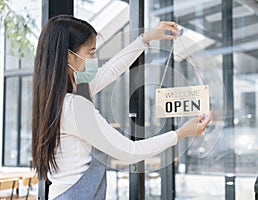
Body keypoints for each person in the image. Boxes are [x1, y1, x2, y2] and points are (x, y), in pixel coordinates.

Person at [32, 14, 212, 200]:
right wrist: (181, 133)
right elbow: (129, 152)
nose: (94, 58)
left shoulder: (57, 99)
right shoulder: (75, 106)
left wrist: (145, 38)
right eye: (91, 52)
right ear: (70, 56)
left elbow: (111, 70)